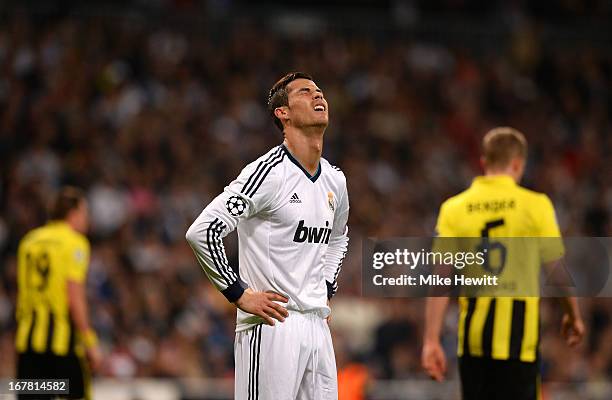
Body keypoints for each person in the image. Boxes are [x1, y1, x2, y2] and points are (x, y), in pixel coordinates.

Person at [186, 72, 349, 400]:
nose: (318, 97)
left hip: (317, 325)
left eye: (319, 91)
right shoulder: (268, 174)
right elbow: (203, 231)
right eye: (305, 92)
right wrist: (239, 294)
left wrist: (327, 286)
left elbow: (338, 238)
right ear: (283, 113)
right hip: (272, 325)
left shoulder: (335, 181)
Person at [421, 128, 585, 400]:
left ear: (484, 162)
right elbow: (556, 271)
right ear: (518, 163)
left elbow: (441, 279)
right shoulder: (536, 205)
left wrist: (431, 340)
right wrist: (573, 315)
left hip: (473, 339)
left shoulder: (455, 207)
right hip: (520, 339)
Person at [15, 186, 101, 400]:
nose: (87, 219)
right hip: (62, 346)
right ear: (73, 213)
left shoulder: (29, 241)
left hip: (27, 343)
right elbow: (74, 297)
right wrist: (89, 341)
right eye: (85, 213)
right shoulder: (75, 243)